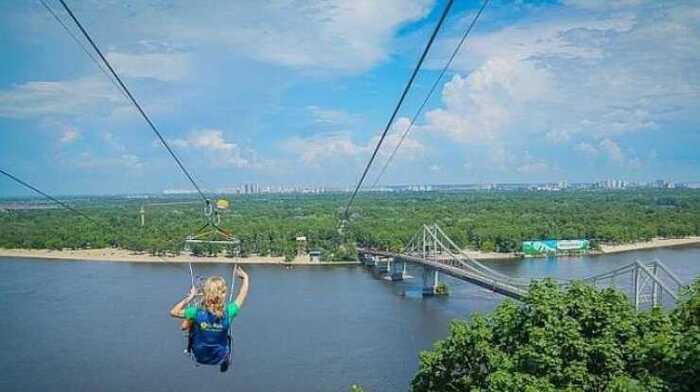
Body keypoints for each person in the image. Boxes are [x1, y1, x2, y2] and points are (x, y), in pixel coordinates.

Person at [170, 267, 249, 372]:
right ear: (223, 294)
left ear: (206, 293)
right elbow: (242, 295)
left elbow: (173, 312)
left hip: (199, 355)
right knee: (228, 339)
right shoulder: (229, 312)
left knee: (192, 325)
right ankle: (225, 360)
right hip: (219, 357)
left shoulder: (196, 312)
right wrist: (245, 278)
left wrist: (190, 297)